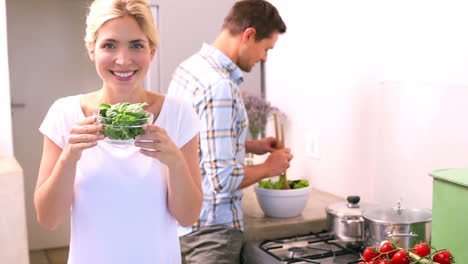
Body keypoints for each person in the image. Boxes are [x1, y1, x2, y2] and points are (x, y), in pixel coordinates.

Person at [34, 0, 202, 263]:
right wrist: (69, 157)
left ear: (152, 52)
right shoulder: (64, 113)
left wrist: (175, 163)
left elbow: (188, 216)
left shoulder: (179, 114)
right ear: (91, 50)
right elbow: (48, 218)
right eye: (109, 45)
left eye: (136, 45)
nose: (123, 60)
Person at [167, 0, 291, 263]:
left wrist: (248, 146)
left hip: (182, 224)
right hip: (211, 233)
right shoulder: (219, 86)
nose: (264, 58)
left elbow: (192, 141)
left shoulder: (190, 69)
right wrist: (270, 167)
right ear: (249, 35)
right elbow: (221, 180)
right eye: (266, 48)